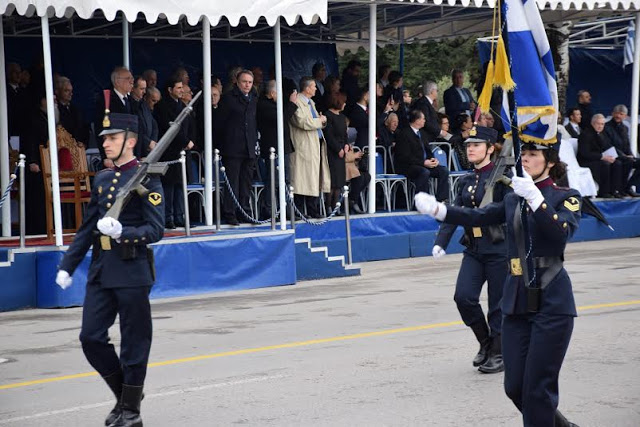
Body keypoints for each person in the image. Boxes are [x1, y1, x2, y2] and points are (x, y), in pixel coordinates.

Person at [415, 137, 581, 427]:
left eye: (532, 154)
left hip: (551, 300)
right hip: (517, 298)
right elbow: (478, 216)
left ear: (550, 162)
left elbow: (559, 236)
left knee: (537, 389)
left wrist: (537, 199)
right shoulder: (513, 198)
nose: (525, 159)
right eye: (523, 154)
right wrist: (440, 211)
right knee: (515, 387)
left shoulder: (564, 196)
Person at [55, 112, 165, 427]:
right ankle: (127, 397)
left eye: (112, 138)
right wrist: (68, 264)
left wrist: (122, 233)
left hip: (132, 269)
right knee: (90, 337)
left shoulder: (148, 178)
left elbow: (155, 229)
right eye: (104, 139)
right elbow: (88, 228)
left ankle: (130, 412)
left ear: (130, 141)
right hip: (102, 271)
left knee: (134, 341)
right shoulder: (103, 180)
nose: (105, 144)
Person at [433, 126, 511, 374]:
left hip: (499, 249)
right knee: (463, 297)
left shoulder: (502, 179)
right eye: (468, 145)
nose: (470, 149)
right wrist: (441, 242)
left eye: (476, 145)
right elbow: (454, 214)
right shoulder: (467, 180)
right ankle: (485, 342)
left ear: (490, 149)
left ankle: (499, 352)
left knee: (497, 304)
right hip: (475, 249)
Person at [217, 69, 259, 225]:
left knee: (246, 183)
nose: (247, 85)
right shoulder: (228, 99)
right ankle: (230, 213)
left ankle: (245, 212)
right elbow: (220, 123)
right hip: (233, 147)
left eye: (250, 82)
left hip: (249, 146)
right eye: (244, 82)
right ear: (237, 82)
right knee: (232, 183)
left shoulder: (254, 98)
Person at [154, 74, 195, 228]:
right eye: (178, 88)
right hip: (169, 152)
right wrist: (185, 141)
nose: (181, 91)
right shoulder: (162, 106)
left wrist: (190, 141)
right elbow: (170, 128)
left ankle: (180, 216)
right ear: (170, 89)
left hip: (183, 153)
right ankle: (168, 217)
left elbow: (191, 127)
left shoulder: (183, 107)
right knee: (169, 186)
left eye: (181, 88)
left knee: (180, 185)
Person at [289, 76, 330, 218]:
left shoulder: (310, 101)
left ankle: (313, 210)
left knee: (313, 178)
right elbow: (302, 121)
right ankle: (299, 211)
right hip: (303, 146)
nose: (316, 88)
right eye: (313, 86)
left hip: (314, 144)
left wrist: (320, 120)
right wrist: (320, 120)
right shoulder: (297, 101)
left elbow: (315, 120)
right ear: (307, 88)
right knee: (301, 179)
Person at [394, 109, 450, 202]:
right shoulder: (404, 134)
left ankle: (441, 199)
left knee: (443, 170)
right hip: (409, 166)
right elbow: (404, 156)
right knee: (424, 172)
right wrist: (423, 163)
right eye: (423, 119)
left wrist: (433, 159)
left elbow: (427, 150)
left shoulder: (422, 133)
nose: (425, 121)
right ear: (417, 120)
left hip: (424, 164)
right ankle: (422, 203)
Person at [577, 114, 624, 199]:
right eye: (598, 124)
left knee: (617, 163)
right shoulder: (586, 134)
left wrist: (616, 156)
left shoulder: (602, 134)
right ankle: (604, 192)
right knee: (605, 165)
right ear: (592, 123)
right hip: (587, 161)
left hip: (599, 159)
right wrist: (602, 157)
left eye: (602, 124)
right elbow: (585, 153)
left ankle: (615, 190)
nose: (600, 126)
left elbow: (608, 146)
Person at [604, 104, 640, 196]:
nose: (618, 116)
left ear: (625, 116)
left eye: (621, 114)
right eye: (616, 113)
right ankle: (619, 189)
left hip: (624, 156)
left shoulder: (625, 128)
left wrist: (631, 155)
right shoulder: (607, 127)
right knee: (627, 161)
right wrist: (624, 156)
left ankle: (628, 187)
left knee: (635, 161)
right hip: (613, 155)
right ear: (612, 114)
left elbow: (627, 145)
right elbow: (609, 145)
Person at [324, 91, 350, 212]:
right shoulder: (328, 115)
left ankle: (336, 205)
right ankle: (328, 205)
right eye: (343, 102)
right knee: (332, 181)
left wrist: (346, 146)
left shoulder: (342, 116)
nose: (345, 104)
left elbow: (345, 134)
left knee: (340, 181)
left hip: (341, 151)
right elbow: (328, 135)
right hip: (332, 152)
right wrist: (338, 149)